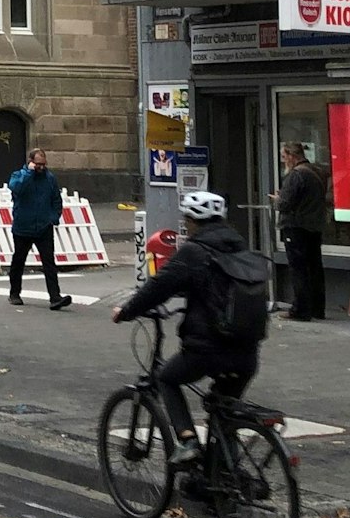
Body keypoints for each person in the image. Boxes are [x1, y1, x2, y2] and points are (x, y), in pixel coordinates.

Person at [111, 189, 269, 468]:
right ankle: (227, 480)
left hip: (208, 348)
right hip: (246, 351)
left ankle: (188, 441)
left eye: (187, 220)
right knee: (223, 408)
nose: (186, 225)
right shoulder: (240, 249)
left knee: (167, 379)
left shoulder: (194, 251)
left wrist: (125, 311)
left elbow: (159, 287)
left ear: (193, 221)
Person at [6, 147, 72, 310]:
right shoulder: (19, 176)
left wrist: (53, 218)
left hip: (43, 227)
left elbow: (56, 199)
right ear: (30, 163)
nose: (41, 168)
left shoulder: (49, 178)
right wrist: (29, 173)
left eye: (43, 164)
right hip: (23, 227)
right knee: (18, 261)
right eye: (38, 164)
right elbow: (16, 188)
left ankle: (55, 297)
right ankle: (14, 293)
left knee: (49, 262)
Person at [271, 142, 328, 321]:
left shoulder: (296, 175)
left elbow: (284, 204)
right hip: (314, 225)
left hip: (296, 227)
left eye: (284, 157)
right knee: (315, 267)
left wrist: (277, 199)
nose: (283, 161)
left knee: (299, 269)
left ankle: (300, 309)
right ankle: (318, 308)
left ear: (291, 156)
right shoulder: (318, 171)